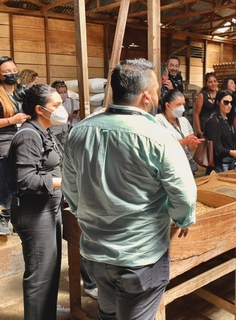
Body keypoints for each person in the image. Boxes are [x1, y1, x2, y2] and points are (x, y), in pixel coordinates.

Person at [62, 58, 196, 320]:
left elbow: (71, 190)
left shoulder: (80, 131)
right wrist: (183, 218)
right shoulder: (158, 136)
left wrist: (87, 214)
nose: (158, 95)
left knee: (107, 314)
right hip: (139, 258)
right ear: (146, 96)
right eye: (157, 91)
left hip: (96, 255)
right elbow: (184, 194)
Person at [9, 84, 69, 319]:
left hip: (49, 209)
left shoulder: (44, 131)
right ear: (39, 109)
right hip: (34, 214)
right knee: (39, 276)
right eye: (56, 105)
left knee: (51, 271)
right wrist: (61, 182)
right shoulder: (27, 136)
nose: (61, 109)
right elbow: (26, 180)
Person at [0, 56, 30, 235]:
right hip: (3, 138)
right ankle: (4, 214)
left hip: (23, 135)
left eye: (13, 70)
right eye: (6, 72)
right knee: (5, 168)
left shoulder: (21, 91)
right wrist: (12, 119)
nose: (12, 74)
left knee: (26, 173)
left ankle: (19, 216)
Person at [156, 89, 204, 175]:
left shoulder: (183, 120)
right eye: (178, 104)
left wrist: (193, 144)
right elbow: (160, 147)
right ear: (168, 105)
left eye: (183, 104)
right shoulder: (158, 120)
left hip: (186, 164)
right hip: (170, 167)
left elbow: (190, 149)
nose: (182, 108)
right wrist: (182, 142)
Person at [204, 89, 236, 173]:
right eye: (226, 102)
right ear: (218, 102)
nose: (229, 105)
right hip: (220, 165)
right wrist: (231, 152)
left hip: (232, 163)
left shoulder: (229, 120)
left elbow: (235, 142)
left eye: (231, 103)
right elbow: (216, 147)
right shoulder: (214, 121)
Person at [50, 81, 80, 145]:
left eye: (65, 92)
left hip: (70, 132)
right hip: (55, 133)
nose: (63, 94)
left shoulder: (74, 103)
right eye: (60, 93)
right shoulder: (50, 105)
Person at [194, 72, 218, 137]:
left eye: (215, 81)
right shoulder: (202, 96)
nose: (213, 84)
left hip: (217, 126)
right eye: (210, 82)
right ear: (206, 84)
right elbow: (196, 114)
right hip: (204, 126)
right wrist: (198, 130)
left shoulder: (220, 95)